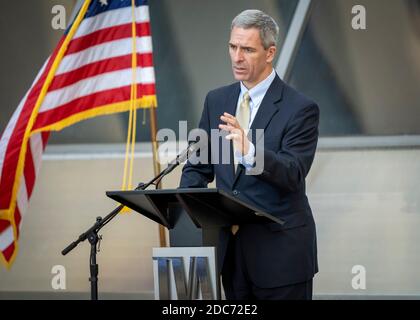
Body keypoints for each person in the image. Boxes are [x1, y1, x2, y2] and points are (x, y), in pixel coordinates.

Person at [179, 9, 320, 300]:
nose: (236, 57)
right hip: (230, 258)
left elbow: (293, 173)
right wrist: (189, 205)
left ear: (270, 53)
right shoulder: (216, 100)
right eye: (232, 46)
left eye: (247, 49)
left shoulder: (301, 108)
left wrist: (250, 151)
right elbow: (197, 166)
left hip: (281, 259)